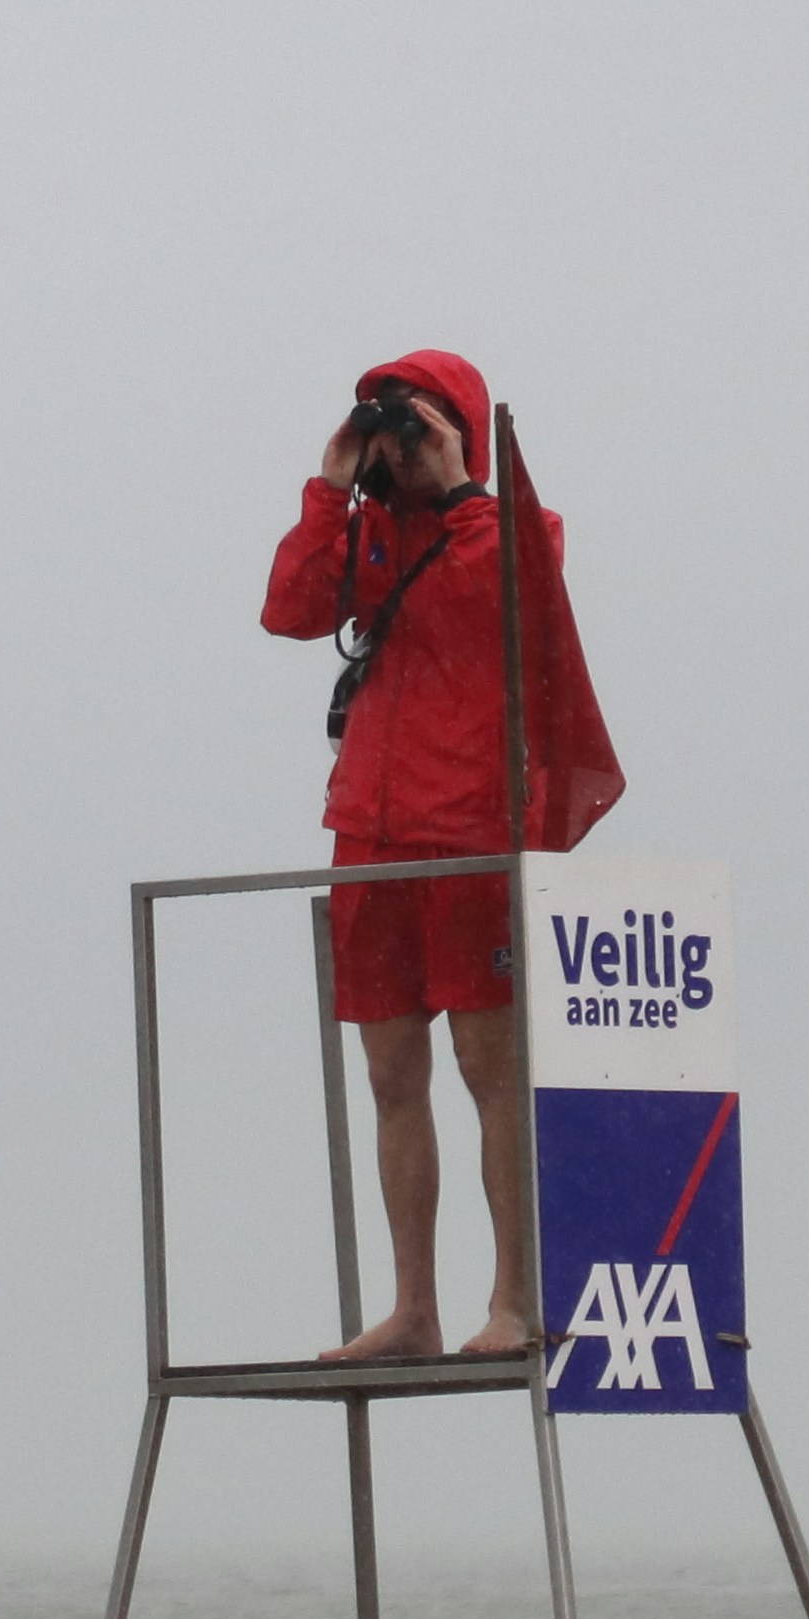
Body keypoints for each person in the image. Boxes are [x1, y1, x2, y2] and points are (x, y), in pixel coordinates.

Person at [259, 349, 567, 1364]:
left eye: (420, 425)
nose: (402, 445)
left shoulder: (513, 534)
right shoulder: (364, 538)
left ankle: (512, 1299)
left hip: (473, 830)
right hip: (373, 832)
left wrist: (463, 487)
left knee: (491, 1071)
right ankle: (413, 1308)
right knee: (393, 1076)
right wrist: (331, 483)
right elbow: (291, 612)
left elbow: (519, 615)